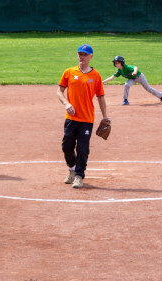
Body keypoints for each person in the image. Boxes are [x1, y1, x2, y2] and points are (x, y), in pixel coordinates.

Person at [56, 44, 109, 189]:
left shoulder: (96, 75)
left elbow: (100, 97)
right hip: (71, 118)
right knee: (66, 145)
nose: (82, 57)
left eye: (85, 54)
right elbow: (59, 91)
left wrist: (105, 117)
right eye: (80, 54)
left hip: (86, 119)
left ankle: (79, 176)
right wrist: (66, 103)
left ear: (91, 57)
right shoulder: (69, 72)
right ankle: (72, 168)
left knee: (83, 148)